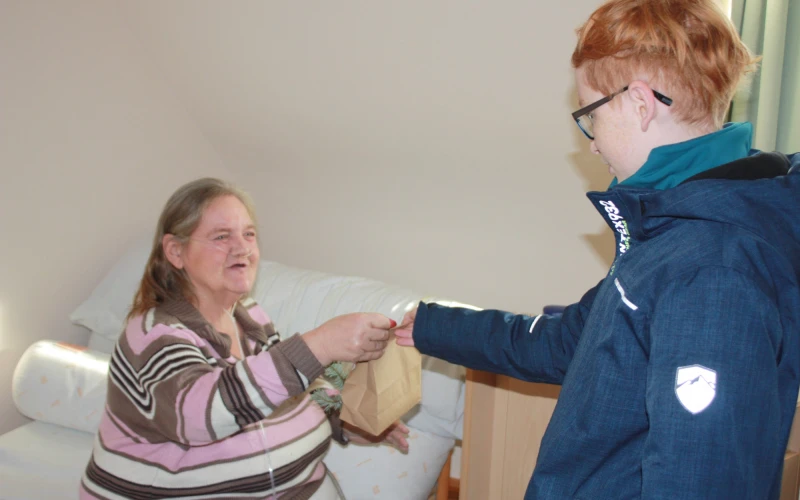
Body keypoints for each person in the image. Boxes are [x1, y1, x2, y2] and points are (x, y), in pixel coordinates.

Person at [396, 0, 800, 498]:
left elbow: (699, 482)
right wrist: (430, 326)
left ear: (639, 103)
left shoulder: (712, 268)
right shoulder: (670, 228)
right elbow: (568, 341)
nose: (590, 143)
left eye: (590, 116)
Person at [80, 178, 409, 499]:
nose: (243, 249)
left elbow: (284, 390)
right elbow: (203, 414)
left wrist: (349, 421)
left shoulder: (248, 315)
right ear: (176, 251)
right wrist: (320, 345)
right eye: (221, 236)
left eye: (248, 234)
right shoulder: (152, 334)